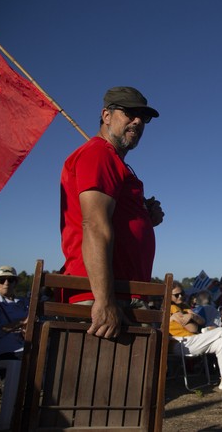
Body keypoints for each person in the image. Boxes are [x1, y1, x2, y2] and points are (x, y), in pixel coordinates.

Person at [59, 86, 165, 339]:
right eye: (129, 112)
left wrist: (145, 218)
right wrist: (104, 301)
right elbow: (94, 225)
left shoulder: (113, 161)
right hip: (104, 295)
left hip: (123, 292)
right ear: (106, 116)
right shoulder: (98, 153)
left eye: (143, 117)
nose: (137, 121)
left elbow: (117, 220)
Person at [168, 281, 222, 391]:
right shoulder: (170, 307)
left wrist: (191, 316)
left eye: (182, 293)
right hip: (181, 343)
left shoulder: (184, 306)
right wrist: (193, 317)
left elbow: (202, 321)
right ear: (168, 296)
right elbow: (193, 328)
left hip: (192, 341)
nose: (180, 296)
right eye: (176, 295)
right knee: (220, 331)